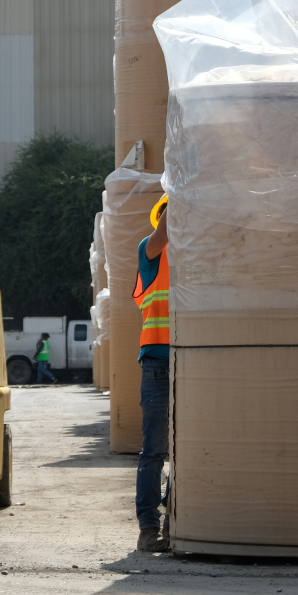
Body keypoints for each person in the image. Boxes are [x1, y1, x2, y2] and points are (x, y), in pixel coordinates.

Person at [133, 194, 171, 553]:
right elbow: (164, 234)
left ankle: (178, 522)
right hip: (159, 361)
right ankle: (149, 528)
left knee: (186, 448)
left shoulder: (197, 253)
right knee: (155, 450)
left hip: (196, 359)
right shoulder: (152, 249)